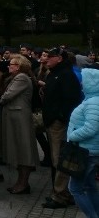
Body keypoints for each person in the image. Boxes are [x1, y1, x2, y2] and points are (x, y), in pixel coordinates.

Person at [42, 48, 84, 210]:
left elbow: (71, 99)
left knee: (59, 159)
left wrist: (58, 117)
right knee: (56, 159)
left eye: (50, 57)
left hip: (59, 124)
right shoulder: (55, 72)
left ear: (59, 58)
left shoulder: (65, 75)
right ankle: (63, 193)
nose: (45, 60)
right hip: (53, 122)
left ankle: (60, 195)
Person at [0, 54, 39, 194]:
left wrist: (2, 98)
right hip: (15, 116)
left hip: (19, 118)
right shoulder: (15, 78)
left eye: (13, 64)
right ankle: (21, 182)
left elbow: (6, 96)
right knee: (19, 150)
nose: (9, 66)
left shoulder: (21, 78)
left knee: (23, 151)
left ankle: (23, 183)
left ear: (19, 67)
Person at [67, 68, 99, 218]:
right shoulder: (91, 99)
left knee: (75, 188)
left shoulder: (93, 102)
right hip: (90, 150)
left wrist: (73, 135)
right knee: (90, 185)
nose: (81, 82)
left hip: (86, 151)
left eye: (84, 80)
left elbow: (91, 127)